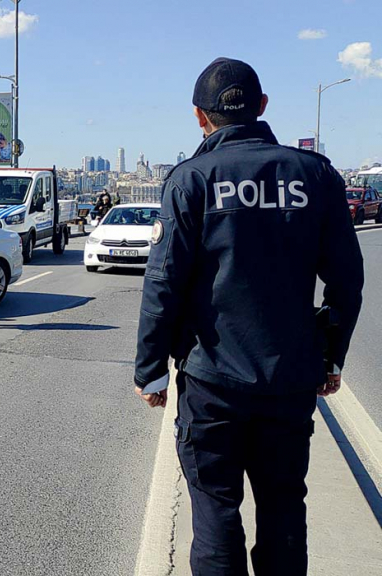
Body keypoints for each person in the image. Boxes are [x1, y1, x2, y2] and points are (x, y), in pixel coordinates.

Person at [134, 58, 364, 576]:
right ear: (262, 108)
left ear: (200, 117)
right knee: (284, 508)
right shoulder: (316, 175)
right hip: (290, 379)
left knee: (216, 512)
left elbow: (164, 281)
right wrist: (330, 356)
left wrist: (149, 367)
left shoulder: (191, 179)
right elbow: (348, 281)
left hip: (213, 380)